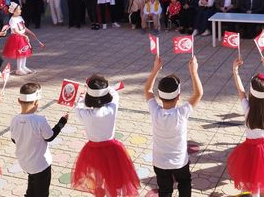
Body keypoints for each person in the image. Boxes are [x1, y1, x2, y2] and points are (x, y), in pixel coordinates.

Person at [144, 55, 203, 197]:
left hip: (159, 162)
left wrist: (155, 69)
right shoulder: (182, 113)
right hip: (179, 162)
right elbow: (199, 93)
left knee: (164, 190)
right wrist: (194, 72)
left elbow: (147, 90)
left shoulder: (155, 111)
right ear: (178, 96)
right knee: (184, 183)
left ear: (160, 96)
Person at [72, 75, 140, 196]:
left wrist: (82, 95)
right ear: (106, 94)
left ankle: (99, 191)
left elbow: (77, 105)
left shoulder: (85, 114)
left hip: (93, 151)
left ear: (89, 97)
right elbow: (115, 95)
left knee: (98, 176)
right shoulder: (112, 108)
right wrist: (109, 88)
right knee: (113, 176)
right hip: (112, 150)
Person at [228, 57, 264, 197]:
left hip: (252, 149)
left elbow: (241, 91)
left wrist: (235, 71)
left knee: (253, 178)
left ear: (252, 93)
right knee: (262, 173)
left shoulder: (248, 109)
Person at [10, 83, 68, 197]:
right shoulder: (39, 120)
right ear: (36, 102)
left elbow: (14, 139)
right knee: (42, 192)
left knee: (32, 185)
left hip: (25, 162)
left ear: (19, 101)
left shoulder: (14, 120)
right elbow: (50, 137)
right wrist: (62, 122)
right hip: (41, 164)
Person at [3, 3, 38, 75]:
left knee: (24, 52)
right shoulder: (12, 20)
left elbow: (24, 27)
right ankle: (18, 69)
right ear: (14, 11)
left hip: (23, 37)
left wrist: (31, 33)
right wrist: (24, 36)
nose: (20, 10)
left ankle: (23, 66)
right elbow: (15, 31)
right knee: (20, 53)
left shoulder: (20, 18)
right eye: (19, 9)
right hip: (17, 38)